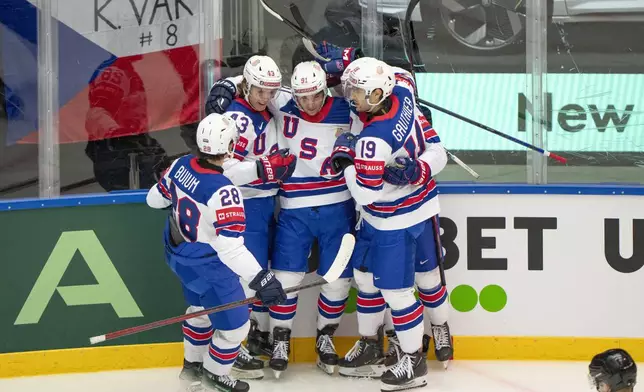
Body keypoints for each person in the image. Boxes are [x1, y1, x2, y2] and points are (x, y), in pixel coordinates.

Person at [207, 60, 356, 377]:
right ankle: (278, 339)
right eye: (303, 97)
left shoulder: (343, 106)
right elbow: (252, 84)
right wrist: (226, 85)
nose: (309, 103)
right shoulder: (279, 100)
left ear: (324, 89)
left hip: (337, 204)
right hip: (289, 206)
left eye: (315, 95)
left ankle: (324, 339)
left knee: (339, 280)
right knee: (283, 279)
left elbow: (376, 100)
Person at [317, 44, 448, 391]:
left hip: (394, 221)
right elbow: (436, 146)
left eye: (357, 92)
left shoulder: (373, 140)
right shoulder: (403, 90)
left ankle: (413, 362)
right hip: (396, 215)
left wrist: (344, 158)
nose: (350, 97)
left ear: (377, 93)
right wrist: (353, 59)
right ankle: (372, 347)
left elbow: (365, 193)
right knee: (364, 278)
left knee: (399, 292)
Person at [145, 113, 288, 392]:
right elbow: (230, 249)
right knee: (236, 328)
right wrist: (263, 279)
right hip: (208, 266)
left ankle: (192, 367)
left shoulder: (179, 165)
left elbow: (153, 200)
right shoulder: (224, 192)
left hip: (180, 258)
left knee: (198, 310)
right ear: (230, 145)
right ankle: (215, 373)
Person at [211, 55, 297, 375]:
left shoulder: (266, 101)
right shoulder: (239, 118)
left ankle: (253, 335)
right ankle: (232, 348)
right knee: (245, 279)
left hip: (266, 202)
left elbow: (298, 94)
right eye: (259, 90)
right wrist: (263, 167)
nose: (266, 97)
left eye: (270, 91)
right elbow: (225, 169)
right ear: (247, 85)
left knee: (260, 272)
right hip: (246, 205)